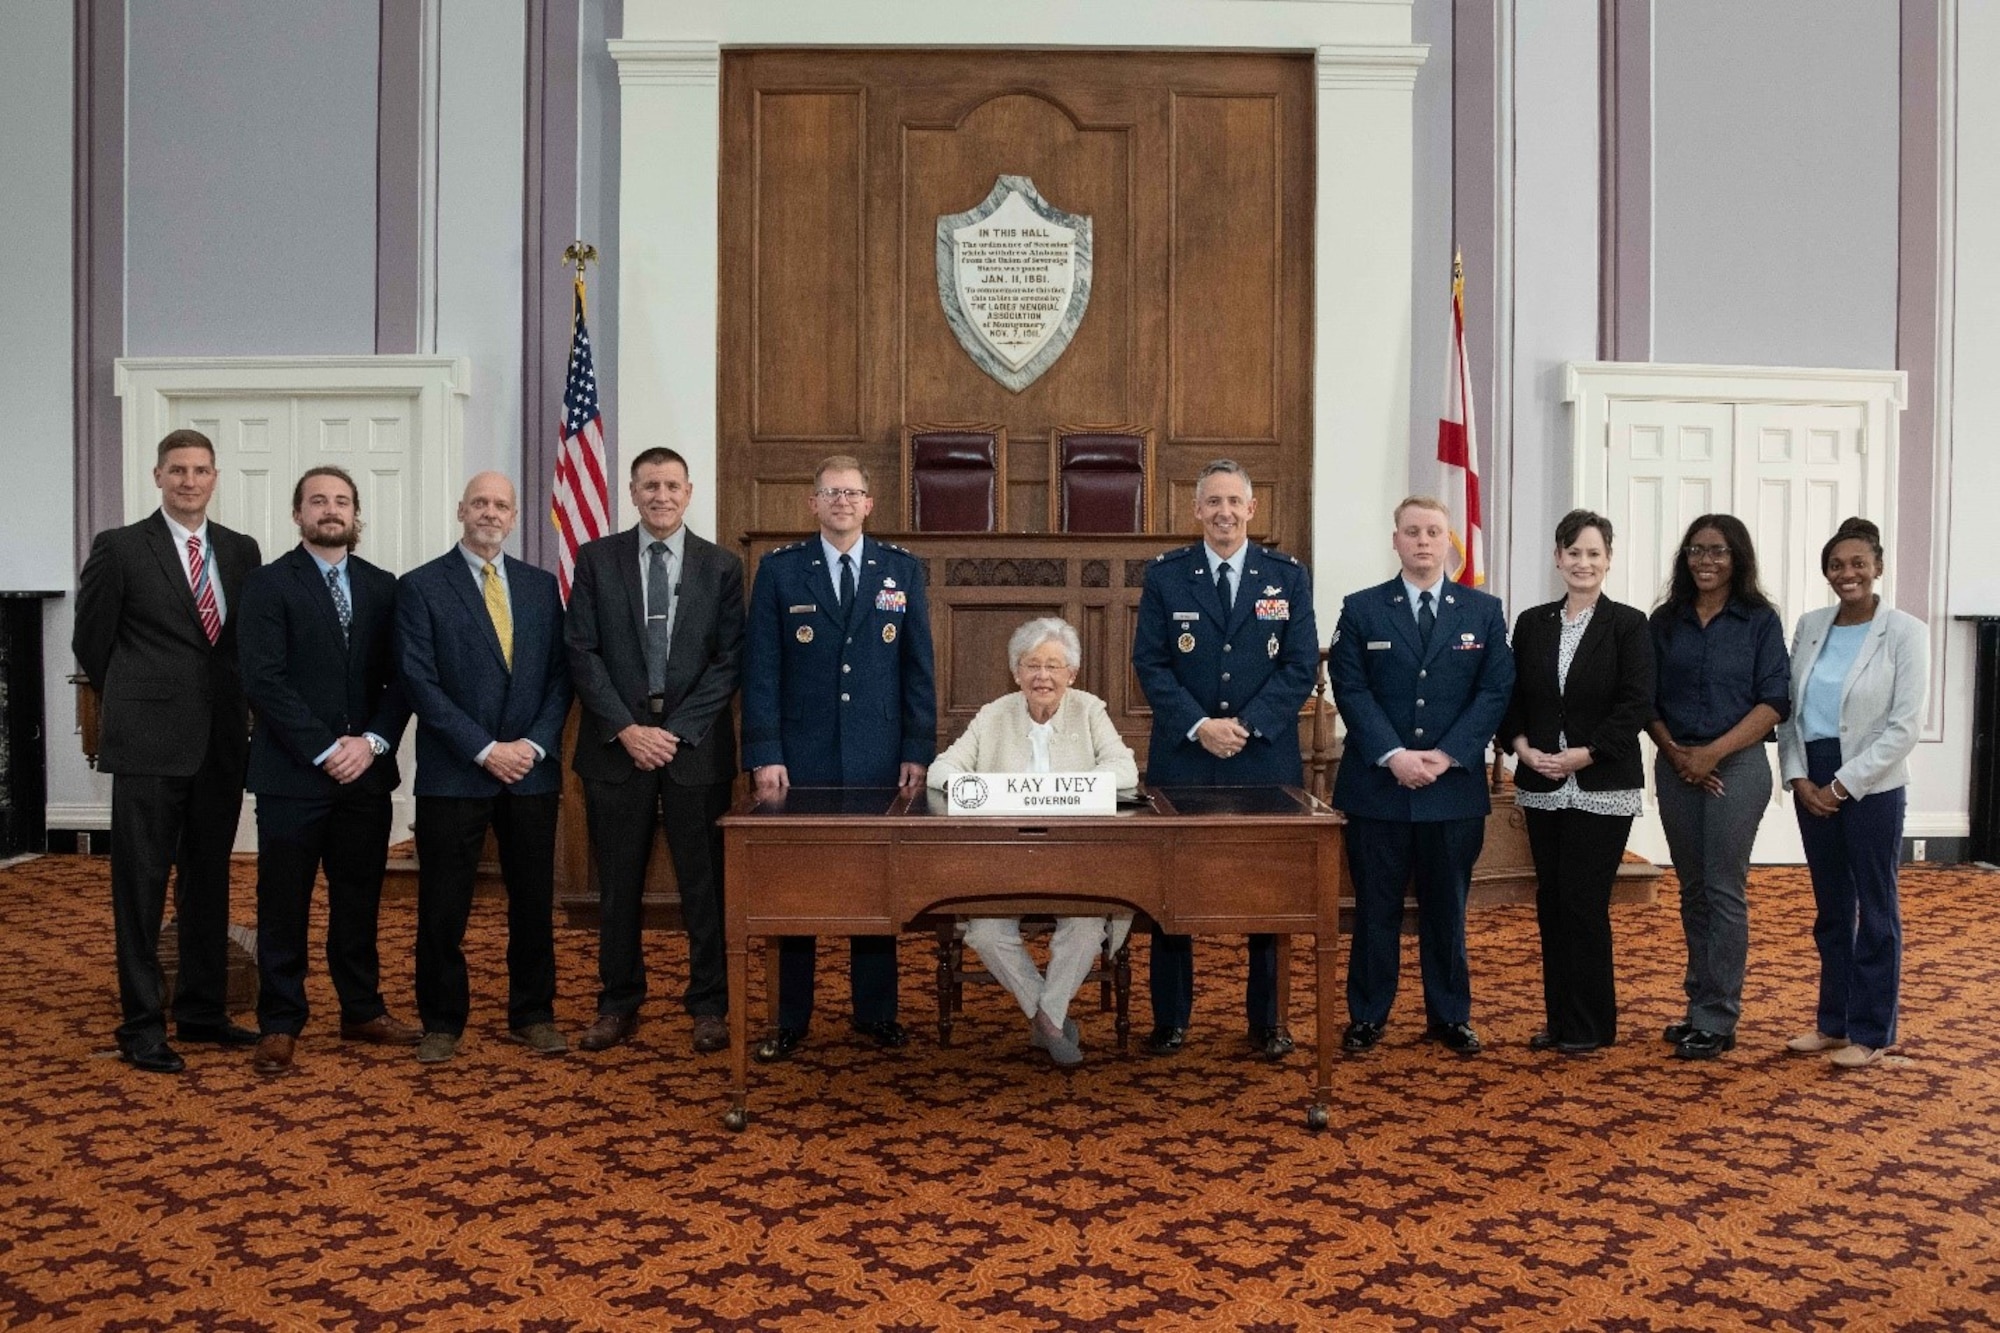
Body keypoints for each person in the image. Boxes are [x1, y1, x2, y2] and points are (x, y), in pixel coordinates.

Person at [73, 428, 263, 1074]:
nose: (189, 480)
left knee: (208, 881)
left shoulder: (241, 551)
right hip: (149, 745)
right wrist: (138, 701)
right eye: (177, 469)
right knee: (142, 888)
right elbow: (91, 643)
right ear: (157, 476)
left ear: (214, 477)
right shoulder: (121, 548)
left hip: (220, 745)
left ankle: (204, 1012)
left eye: (200, 469)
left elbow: (242, 644)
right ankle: (142, 1025)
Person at [742, 455, 937, 1061]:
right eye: (832, 493)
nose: (843, 502)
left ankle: (875, 1013)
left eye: (853, 493)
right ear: (813, 503)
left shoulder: (901, 570)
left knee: (876, 889)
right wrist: (765, 751)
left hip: (880, 757)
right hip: (801, 759)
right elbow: (762, 672)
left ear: (869, 503)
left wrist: (916, 748)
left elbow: (918, 669)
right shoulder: (779, 572)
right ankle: (789, 1021)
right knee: (797, 889)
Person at [1130, 459, 1319, 1060]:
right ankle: (1171, 1020)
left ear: (1253, 509)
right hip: (1185, 758)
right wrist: (1200, 725)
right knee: (1172, 894)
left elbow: (1299, 666)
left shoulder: (1286, 576)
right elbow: (1151, 664)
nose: (1224, 513)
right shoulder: (1166, 576)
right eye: (1213, 502)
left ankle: (1268, 1022)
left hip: (1263, 758)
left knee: (1269, 895)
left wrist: (1246, 725)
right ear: (1196, 510)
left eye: (1235, 502)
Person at [237, 466, 417, 1076]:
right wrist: (324, 748)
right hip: (292, 775)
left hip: (365, 774)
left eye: (342, 501)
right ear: (298, 514)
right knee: (282, 903)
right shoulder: (266, 585)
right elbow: (263, 678)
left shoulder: (383, 587)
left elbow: (402, 680)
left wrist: (371, 741)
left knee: (358, 900)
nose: (330, 510)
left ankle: (361, 1010)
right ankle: (281, 1022)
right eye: (318, 501)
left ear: (355, 513)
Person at [566, 447, 744, 1056]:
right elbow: (581, 652)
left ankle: (710, 1005)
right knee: (618, 886)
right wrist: (627, 728)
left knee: (706, 885)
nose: (661, 496)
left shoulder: (721, 567)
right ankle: (617, 1002)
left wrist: (676, 730)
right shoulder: (596, 560)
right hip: (618, 749)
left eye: (671, 486)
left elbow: (729, 661)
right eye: (649, 486)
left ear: (689, 492)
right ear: (633, 493)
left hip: (694, 748)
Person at [396, 472, 573, 1064]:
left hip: (531, 771)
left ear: (515, 516)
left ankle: (533, 1013)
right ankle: (442, 1022)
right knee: (444, 906)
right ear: (460, 510)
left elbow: (559, 677)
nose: (490, 513)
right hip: (455, 772)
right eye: (479, 503)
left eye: (501, 505)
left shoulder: (542, 587)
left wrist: (534, 746)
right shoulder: (421, 587)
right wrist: (483, 748)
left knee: (532, 901)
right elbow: (419, 681)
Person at [1329, 495, 1514, 1056]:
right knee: (1375, 910)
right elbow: (1351, 688)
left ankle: (1450, 1015)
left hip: (1452, 790)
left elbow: (1495, 688)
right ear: (1396, 541)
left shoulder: (1482, 610)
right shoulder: (1361, 609)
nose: (1424, 541)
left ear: (1448, 540)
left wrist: (1448, 754)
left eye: (1434, 531)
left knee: (1447, 910)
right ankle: (1368, 1015)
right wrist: (1393, 754)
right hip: (1378, 788)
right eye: (1412, 532)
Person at [927, 617, 1140, 1066]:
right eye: (1032, 665)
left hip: (1075, 860)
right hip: (1003, 861)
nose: (1043, 676)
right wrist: (980, 792)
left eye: (1054, 666)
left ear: (1071, 675)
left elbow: (1125, 771)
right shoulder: (994, 714)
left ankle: (1045, 1017)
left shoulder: (1089, 710)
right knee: (985, 932)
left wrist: (1072, 790)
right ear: (1017, 673)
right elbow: (941, 771)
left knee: (1084, 928)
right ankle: (1051, 1019)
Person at [1496, 509, 1653, 1055]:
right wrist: (1521, 749)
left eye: (1594, 553)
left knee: (1584, 904)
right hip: (1540, 781)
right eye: (1573, 552)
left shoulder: (1630, 625)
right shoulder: (1532, 623)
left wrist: (1582, 756)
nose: (1583, 562)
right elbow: (1513, 698)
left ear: (1608, 560)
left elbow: (1636, 704)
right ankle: (1559, 1021)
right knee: (1552, 901)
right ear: (1557, 558)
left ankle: (1591, 1026)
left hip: (1602, 783)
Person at [1775, 517, 1926, 1069]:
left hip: (1872, 782)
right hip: (1811, 776)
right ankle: (1833, 1024)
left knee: (1876, 909)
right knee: (1832, 909)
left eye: (1859, 563)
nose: (1848, 573)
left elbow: (1905, 726)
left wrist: (1843, 784)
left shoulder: (1906, 631)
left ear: (1878, 567)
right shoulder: (1811, 625)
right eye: (1837, 565)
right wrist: (1798, 778)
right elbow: (1788, 711)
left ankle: (1871, 1032)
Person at [1647, 513, 1791, 1061]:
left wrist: (1712, 753)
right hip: (1677, 763)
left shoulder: (1759, 620)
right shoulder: (1665, 620)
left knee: (1723, 889)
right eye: (1696, 550)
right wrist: (1680, 755)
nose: (1707, 561)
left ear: (1738, 559)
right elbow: (1647, 700)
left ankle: (1719, 1015)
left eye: (1719, 551)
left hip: (1737, 768)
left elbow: (1774, 699)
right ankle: (1696, 1006)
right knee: (1692, 891)